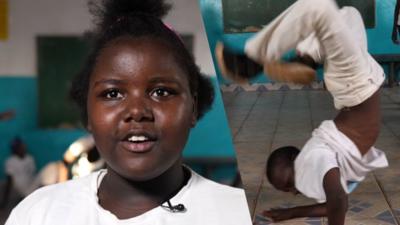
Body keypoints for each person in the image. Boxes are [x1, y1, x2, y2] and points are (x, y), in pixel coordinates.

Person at [5, 1, 252, 224]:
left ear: (193, 109)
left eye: (162, 92)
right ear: (88, 114)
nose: (136, 111)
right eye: (112, 94)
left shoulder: (239, 213)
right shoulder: (38, 214)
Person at [216, 1, 388, 225]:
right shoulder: (319, 161)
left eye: (287, 182)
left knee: (321, 7)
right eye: (286, 188)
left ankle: (252, 60)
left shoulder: (316, 157)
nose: (291, 190)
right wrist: (291, 213)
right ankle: (308, 57)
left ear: (298, 158)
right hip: (358, 84)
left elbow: (337, 200)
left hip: (355, 87)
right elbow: (338, 201)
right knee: (349, 14)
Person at [1, 137, 37, 207]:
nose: (22, 148)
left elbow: (33, 173)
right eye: (19, 147)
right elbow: (9, 180)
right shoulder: (10, 161)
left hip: (31, 185)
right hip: (18, 188)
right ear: (14, 149)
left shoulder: (30, 158)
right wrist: (5, 201)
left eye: (22, 146)